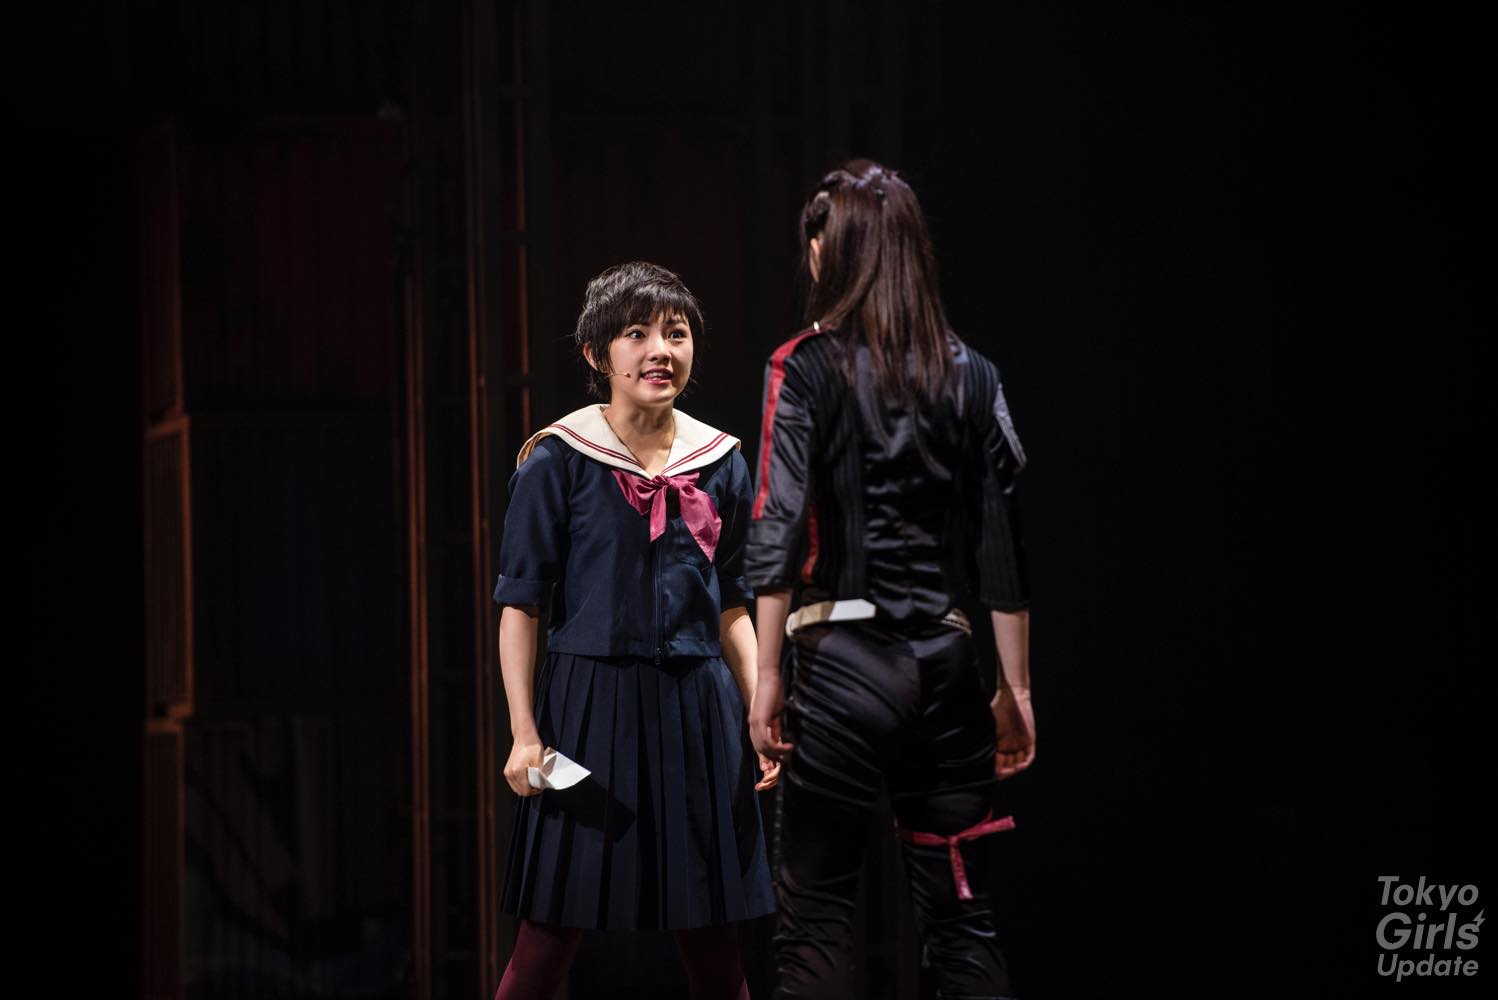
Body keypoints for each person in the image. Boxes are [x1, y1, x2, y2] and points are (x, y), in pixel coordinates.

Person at [745, 160, 1036, 1000]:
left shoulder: (801, 367)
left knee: (816, 924)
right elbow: (1002, 542)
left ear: (829, 253)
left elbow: (777, 523)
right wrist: (1014, 688)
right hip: (947, 673)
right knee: (963, 924)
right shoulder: (974, 373)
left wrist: (766, 678)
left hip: (840, 669)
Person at [491, 261, 778, 1000]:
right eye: (637, 334)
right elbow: (521, 604)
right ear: (597, 354)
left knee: (716, 950)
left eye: (676, 334)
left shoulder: (721, 462)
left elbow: (733, 601)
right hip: (587, 711)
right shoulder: (558, 459)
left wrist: (759, 708)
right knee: (546, 943)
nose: (660, 350)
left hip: (697, 712)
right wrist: (523, 733)